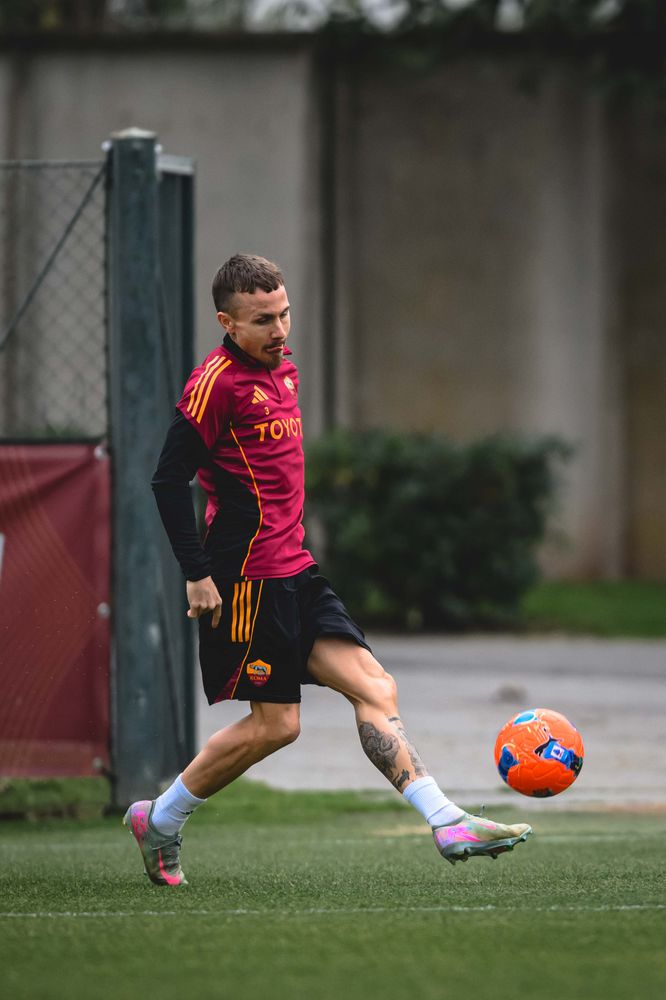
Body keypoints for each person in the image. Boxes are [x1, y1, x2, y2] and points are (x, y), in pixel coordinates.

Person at [123, 253, 531, 886]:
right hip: (246, 579)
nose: (281, 330)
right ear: (226, 322)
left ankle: (445, 820)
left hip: (298, 570)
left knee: (375, 686)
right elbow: (167, 477)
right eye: (263, 320)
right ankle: (162, 818)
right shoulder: (215, 384)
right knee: (276, 726)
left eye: (285, 314)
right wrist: (196, 572)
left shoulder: (282, 369)